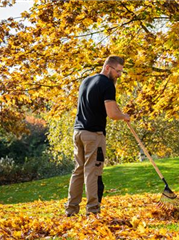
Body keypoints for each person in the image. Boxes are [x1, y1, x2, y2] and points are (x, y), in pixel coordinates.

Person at [65, 55, 130, 217]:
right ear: (107, 67)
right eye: (118, 71)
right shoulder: (107, 85)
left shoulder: (86, 81)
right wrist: (124, 116)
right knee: (92, 172)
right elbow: (113, 114)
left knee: (78, 171)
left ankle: (71, 210)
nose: (119, 75)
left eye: (122, 72)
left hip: (78, 132)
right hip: (93, 135)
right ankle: (93, 211)